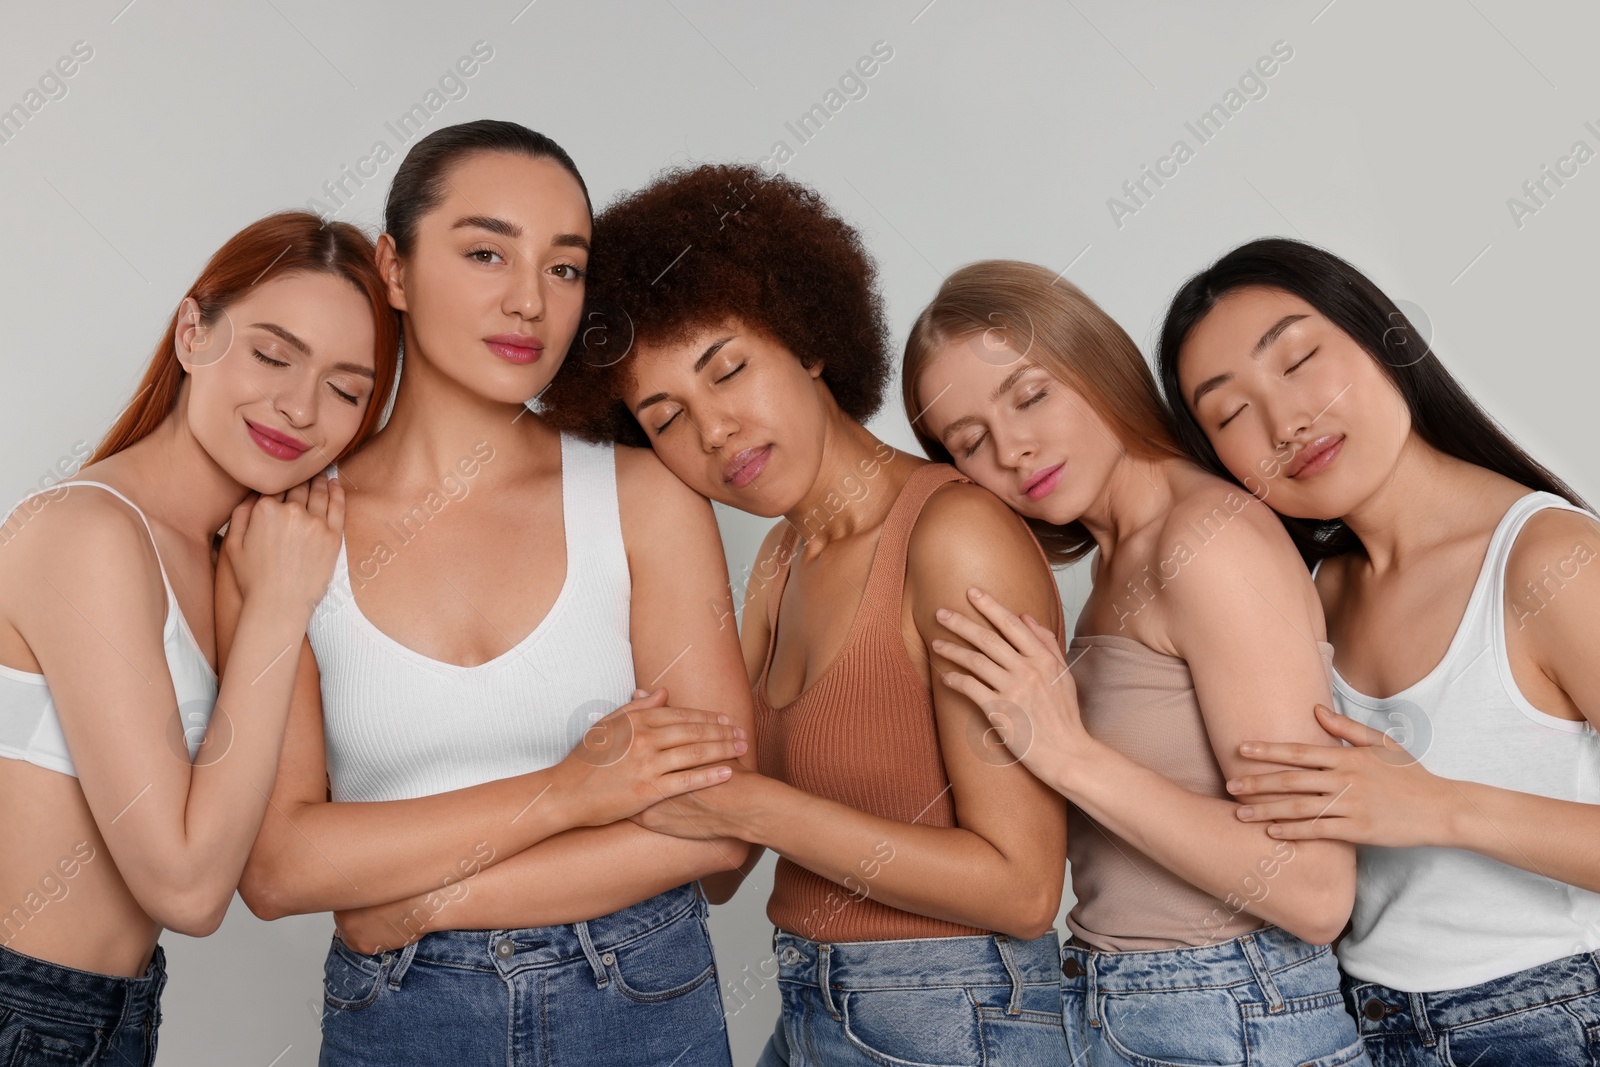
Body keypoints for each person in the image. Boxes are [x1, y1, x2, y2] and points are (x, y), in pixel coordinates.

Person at [230, 122, 753, 1067]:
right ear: (393, 266)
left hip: (643, 994)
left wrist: (421, 901)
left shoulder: (644, 497)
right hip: (401, 1020)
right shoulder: (289, 526)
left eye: (564, 268)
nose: (528, 301)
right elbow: (278, 866)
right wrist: (571, 792)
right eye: (484, 252)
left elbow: (723, 829)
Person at [543, 165, 1072, 1067]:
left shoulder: (953, 537)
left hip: (958, 1017)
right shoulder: (779, 564)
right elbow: (717, 869)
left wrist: (751, 802)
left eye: (729, 369)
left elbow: (1024, 887)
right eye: (666, 417)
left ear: (810, 340)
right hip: (813, 1007)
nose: (713, 430)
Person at [902, 259, 1369, 1066]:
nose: (1012, 449)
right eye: (970, 441)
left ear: (1096, 362)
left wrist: (1067, 753)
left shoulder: (1206, 540)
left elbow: (1314, 890)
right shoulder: (1113, 569)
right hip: (1127, 1006)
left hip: (1232, 1011)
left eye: (1031, 394)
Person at [1158, 236, 1600, 1065]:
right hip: (1357, 1022)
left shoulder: (1549, 560)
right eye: (1230, 413)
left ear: (1384, 336)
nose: (1285, 423)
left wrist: (1439, 806)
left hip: (1548, 1014)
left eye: (1296, 360)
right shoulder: (1309, 592)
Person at [0, 210, 399, 1063]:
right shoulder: (88, 532)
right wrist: (279, 609)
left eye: (346, 388)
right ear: (193, 332)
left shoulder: (230, 555)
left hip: (109, 1016)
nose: (299, 406)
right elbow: (186, 884)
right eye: (272, 352)